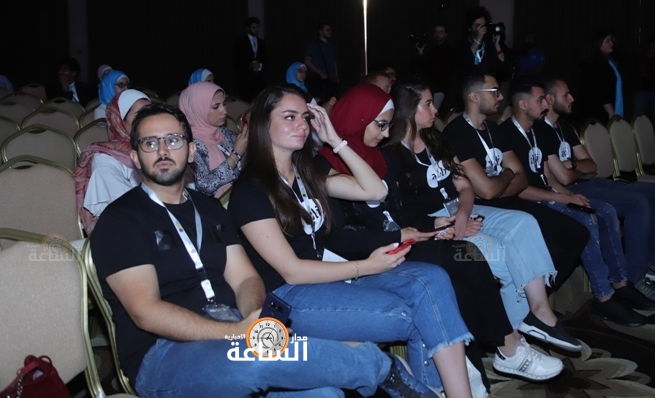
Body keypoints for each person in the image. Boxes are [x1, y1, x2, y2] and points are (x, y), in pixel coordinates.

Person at [91, 103, 438, 398]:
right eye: (150, 143)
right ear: (135, 157)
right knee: (255, 359)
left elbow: (245, 278)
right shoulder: (121, 220)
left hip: (233, 330)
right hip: (164, 353)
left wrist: (254, 316)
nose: (163, 150)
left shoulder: (209, 209)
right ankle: (381, 367)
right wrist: (238, 333)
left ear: (191, 150)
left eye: (173, 140)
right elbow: (147, 312)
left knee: (323, 392)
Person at [227, 86, 474, 396]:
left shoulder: (306, 173)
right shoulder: (250, 190)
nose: (302, 125)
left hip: (330, 275)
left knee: (432, 280)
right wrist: (367, 266)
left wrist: (335, 140)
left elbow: (375, 191)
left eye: (305, 117)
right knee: (409, 314)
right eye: (289, 117)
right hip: (288, 295)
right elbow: (292, 271)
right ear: (264, 124)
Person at [319, 83, 566, 391]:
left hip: (404, 243)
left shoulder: (373, 156)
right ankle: (509, 346)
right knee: (466, 255)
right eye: (380, 125)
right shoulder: (324, 167)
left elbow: (396, 211)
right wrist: (406, 233)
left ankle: (475, 372)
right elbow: (340, 237)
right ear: (358, 119)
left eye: (387, 125)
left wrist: (432, 226)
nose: (385, 133)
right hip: (375, 254)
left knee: (461, 276)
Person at [384, 83, 575, 373]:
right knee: (501, 256)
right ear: (408, 110)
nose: (435, 110)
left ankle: (537, 315)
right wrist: (444, 225)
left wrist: (462, 214)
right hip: (432, 223)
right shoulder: (391, 154)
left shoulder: (436, 139)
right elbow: (400, 211)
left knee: (523, 223)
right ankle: (511, 343)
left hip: (460, 209)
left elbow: (464, 186)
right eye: (427, 104)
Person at [501, 77, 655, 324]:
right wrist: (561, 198)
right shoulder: (505, 135)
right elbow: (519, 190)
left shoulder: (537, 131)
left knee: (605, 210)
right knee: (585, 220)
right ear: (523, 104)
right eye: (540, 100)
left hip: (548, 194)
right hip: (529, 202)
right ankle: (604, 298)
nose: (545, 104)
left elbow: (547, 177)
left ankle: (620, 283)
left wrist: (569, 195)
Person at [541, 78, 655, 304]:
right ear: (550, 99)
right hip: (570, 189)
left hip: (590, 182)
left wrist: (572, 165)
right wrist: (576, 170)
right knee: (637, 203)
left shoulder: (564, 128)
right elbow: (561, 178)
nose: (572, 98)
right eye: (566, 95)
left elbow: (592, 166)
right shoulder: (539, 131)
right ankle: (635, 277)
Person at [442, 74, 589, 295]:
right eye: (494, 91)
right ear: (474, 96)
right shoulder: (456, 133)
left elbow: (520, 179)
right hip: (486, 208)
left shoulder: (493, 129)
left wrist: (502, 182)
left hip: (510, 200)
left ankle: (536, 303)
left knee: (578, 234)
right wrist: (508, 174)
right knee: (553, 247)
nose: (501, 97)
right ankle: (532, 304)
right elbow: (488, 191)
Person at [73, 89, 151, 234]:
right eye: (140, 115)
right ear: (119, 121)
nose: (148, 120)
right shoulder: (104, 159)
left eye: (152, 113)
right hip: (125, 231)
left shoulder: (159, 150)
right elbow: (129, 204)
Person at [179, 82, 247, 198]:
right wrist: (235, 155)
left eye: (224, 104)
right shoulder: (189, 144)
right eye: (216, 107)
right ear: (197, 110)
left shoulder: (224, 133)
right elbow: (205, 185)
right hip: (215, 204)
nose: (224, 111)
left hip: (241, 193)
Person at [455, 7, 511, 86]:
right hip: (469, 85)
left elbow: (504, 69)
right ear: (469, 28)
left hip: (489, 84)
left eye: (484, 25)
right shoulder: (462, 43)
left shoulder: (489, 42)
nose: (482, 28)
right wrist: (478, 39)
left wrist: (497, 45)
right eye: (478, 25)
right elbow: (464, 64)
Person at [578, 30, 623, 124]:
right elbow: (602, 91)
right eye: (607, 41)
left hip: (604, 112)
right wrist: (611, 113)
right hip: (598, 114)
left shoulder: (608, 62)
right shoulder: (596, 64)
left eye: (611, 40)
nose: (611, 43)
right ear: (598, 44)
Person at [633, 35, 655, 143]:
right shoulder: (641, 57)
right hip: (641, 92)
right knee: (638, 120)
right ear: (651, 44)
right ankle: (638, 143)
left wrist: (649, 72)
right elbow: (639, 71)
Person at [234, 16, 267, 102]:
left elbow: (266, 60)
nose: (256, 30)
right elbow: (236, 61)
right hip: (245, 80)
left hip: (259, 80)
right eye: (253, 27)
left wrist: (260, 65)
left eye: (257, 27)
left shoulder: (262, 43)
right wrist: (250, 65)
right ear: (248, 28)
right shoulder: (240, 42)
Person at [304, 22, 339, 99]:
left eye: (330, 30)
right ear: (320, 31)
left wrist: (336, 77)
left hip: (331, 80)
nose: (330, 32)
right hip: (319, 80)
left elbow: (334, 62)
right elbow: (307, 61)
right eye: (327, 30)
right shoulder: (313, 44)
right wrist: (320, 73)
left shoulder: (331, 45)